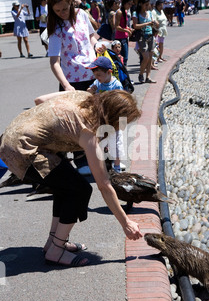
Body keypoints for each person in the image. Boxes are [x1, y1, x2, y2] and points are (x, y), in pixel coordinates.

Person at [0, 90, 142, 267]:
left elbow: (39, 100)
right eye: (123, 123)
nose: (122, 128)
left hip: (11, 136)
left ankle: (53, 243)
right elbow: (104, 185)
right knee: (79, 190)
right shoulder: (89, 131)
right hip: (23, 152)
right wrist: (126, 223)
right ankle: (56, 251)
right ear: (113, 118)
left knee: (66, 186)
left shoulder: (83, 95)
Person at [47, 0, 98, 175]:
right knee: (75, 124)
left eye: (65, 8)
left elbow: (92, 38)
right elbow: (54, 62)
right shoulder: (55, 29)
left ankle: (100, 157)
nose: (62, 13)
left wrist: (98, 46)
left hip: (93, 75)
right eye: (57, 11)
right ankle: (81, 160)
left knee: (95, 120)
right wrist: (66, 85)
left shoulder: (82, 15)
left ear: (71, 3)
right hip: (72, 83)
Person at [86, 56, 125, 172]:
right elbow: (89, 93)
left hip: (114, 118)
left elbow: (122, 103)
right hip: (101, 118)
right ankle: (103, 164)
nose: (97, 78)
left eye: (99, 75)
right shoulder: (97, 83)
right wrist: (90, 91)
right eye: (95, 76)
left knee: (116, 141)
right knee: (101, 140)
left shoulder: (116, 85)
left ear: (109, 72)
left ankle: (117, 165)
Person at [132, 0, 158, 84]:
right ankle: (141, 74)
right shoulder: (136, 13)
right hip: (141, 36)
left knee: (150, 57)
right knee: (145, 57)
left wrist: (155, 23)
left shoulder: (149, 13)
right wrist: (147, 23)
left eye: (148, 4)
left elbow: (153, 22)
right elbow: (135, 26)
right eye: (146, 5)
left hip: (150, 35)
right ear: (141, 4)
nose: (147, 6)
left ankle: (148, 77)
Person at [115, 0, 133, 66]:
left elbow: (123, 25)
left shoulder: (125, 11)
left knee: (125, 58)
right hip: (120, 37)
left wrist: (128, 29)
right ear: (124, 3)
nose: (130, 6)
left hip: (124, 37)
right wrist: (127, 30)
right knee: (121, 58)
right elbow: (117, 26)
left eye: (131, 4)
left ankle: (123, 72)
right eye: (129, 4)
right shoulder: (119, 12)